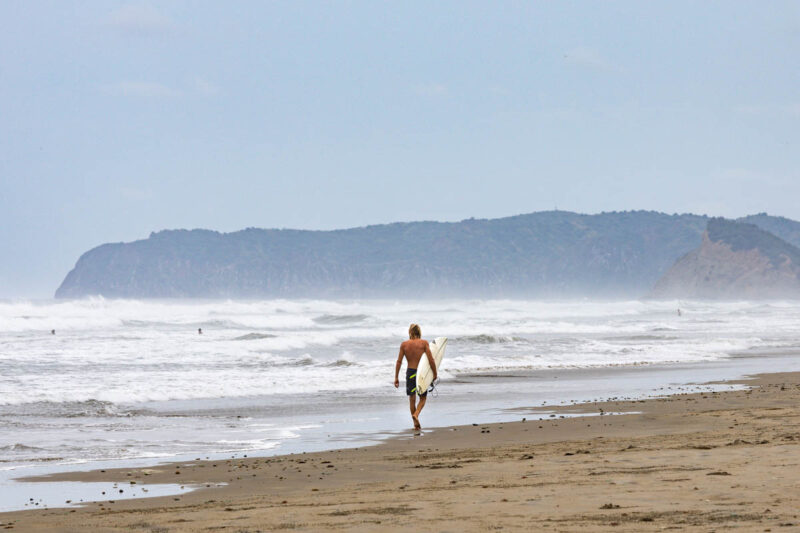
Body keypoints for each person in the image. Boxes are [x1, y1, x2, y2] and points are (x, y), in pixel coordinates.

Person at [394, 323, 437, 430]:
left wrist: (396, 377)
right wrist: (435, 373)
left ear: (410, 332)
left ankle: (415, 424)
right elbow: (431, 359)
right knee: (423, 398)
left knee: (412, 399)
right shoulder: (423, 343)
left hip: (410, 372)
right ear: (419, 332)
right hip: (421, 373)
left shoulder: (404, 345)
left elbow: (399, 362)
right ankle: (416, 414)